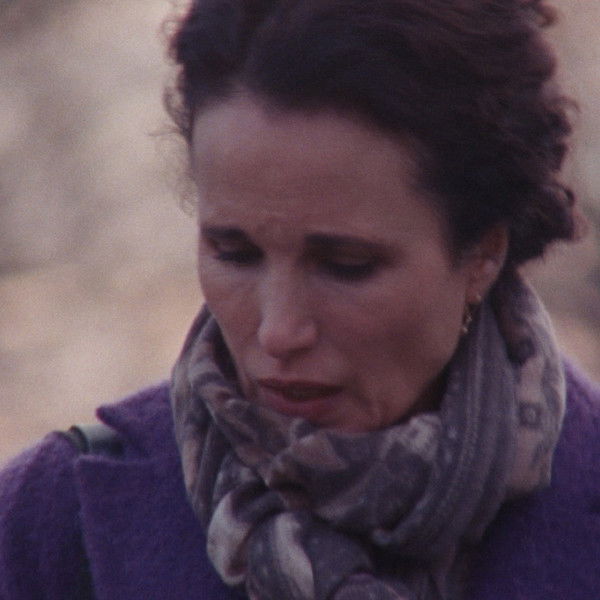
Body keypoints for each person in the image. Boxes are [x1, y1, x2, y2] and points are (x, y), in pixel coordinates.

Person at [1, 0, 599, 598]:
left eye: (346, 267)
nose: (279, 332)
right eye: (235, 254)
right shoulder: (55, 526)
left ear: (482, 255)